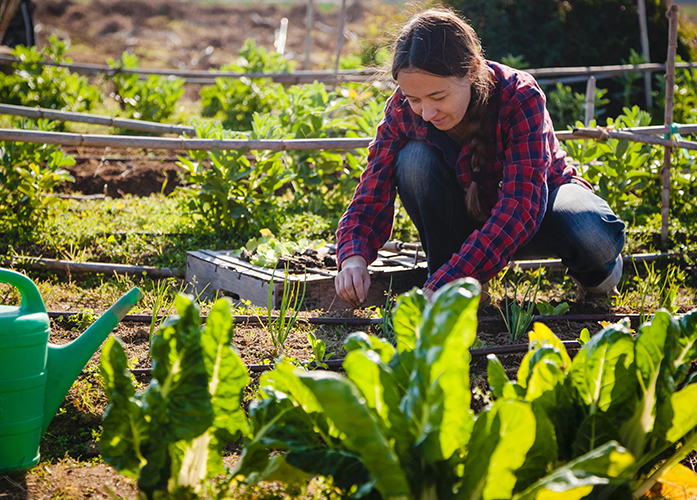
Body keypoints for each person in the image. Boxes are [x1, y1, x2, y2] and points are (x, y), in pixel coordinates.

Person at [334, 7, 625, 308]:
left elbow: (520, 208)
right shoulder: (403, 109)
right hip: (466, 218)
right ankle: (464, 291)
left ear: (472, 70)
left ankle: (598, 280)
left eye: (437, 97)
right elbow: (372, 188)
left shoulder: (519, 96)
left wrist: (447, 280)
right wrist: (353, 257)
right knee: (413, 161)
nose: (427, 112)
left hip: (538, 209)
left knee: (592, 233)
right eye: (414, 99)